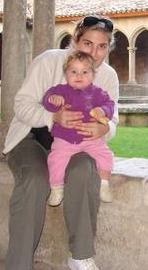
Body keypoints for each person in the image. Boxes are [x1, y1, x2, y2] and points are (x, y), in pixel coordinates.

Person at [3, 15, 119, 270]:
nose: (95, 53)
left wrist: (102, 128)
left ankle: (80, 256)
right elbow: (21, 104)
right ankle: (18, 265)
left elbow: (112, 120)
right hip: (31, 138)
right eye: (88, 43)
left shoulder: (108, 76)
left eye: (102, 46)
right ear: (75, 40)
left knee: (83, 170)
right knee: (34, 179)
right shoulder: (48, 61)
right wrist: (52, 116)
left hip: (74, 144)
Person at [43, 50, 115, 206]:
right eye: (73, 71)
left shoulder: (97, 93)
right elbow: (46, 99)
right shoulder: (60, 90)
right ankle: (56, 188)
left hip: (90, 138)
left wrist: (102, 111)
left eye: (85, 72)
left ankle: (104, 184)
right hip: (65, 138)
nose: (79, 76)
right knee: (55, 159)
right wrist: (52, 99)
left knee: (105, 154)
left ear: (93, 75)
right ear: (66, 74)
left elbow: (109, 105)